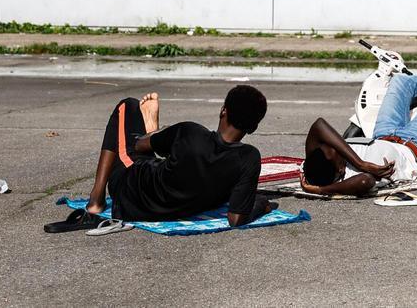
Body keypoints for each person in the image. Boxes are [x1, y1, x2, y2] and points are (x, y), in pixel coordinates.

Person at [44, 85, 274, 233]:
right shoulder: (249, 158)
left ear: (223, 110)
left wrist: (159, 134)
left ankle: (96, 200)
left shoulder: (191, 132)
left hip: (131, 193)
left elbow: (137, 145)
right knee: (172, 157)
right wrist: (260, 205)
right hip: (181, 204)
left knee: (128, 106)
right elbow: (236, 219)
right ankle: (159, 133)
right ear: (253, 127)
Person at [300, 45, 417, 197]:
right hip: (415, 145)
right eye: (339, 155)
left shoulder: (311, 165)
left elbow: (319, 125)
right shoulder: (349, 180)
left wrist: (360, 162)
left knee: (400, 81)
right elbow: (366, 181)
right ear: (340, 170)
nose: (339, 148)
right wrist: (321, 191)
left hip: (384, 133)